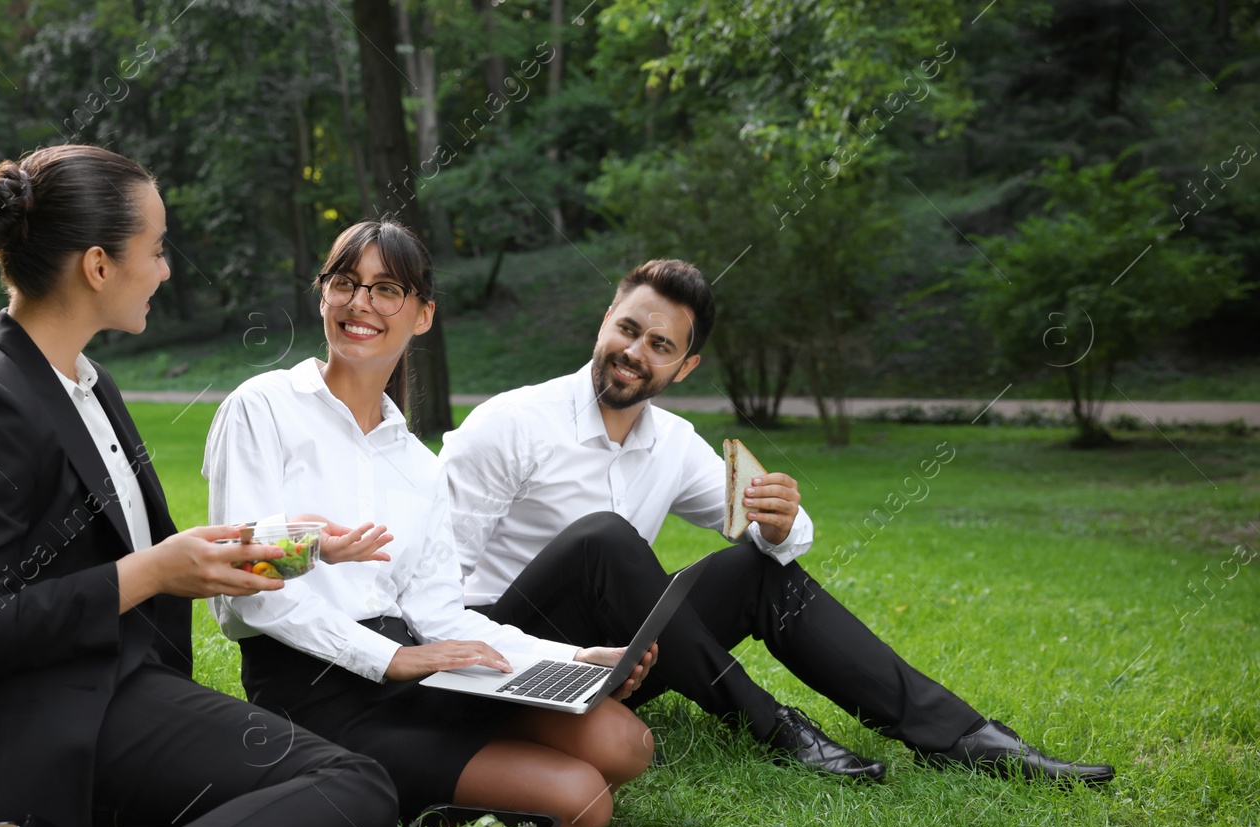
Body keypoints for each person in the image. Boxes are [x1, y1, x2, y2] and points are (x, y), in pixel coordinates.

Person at [0, 145, 399, 827]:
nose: (166, 270)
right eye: (157, 248)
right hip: (42, 720)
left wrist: (272, 545)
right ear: (98, 264)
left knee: (314, 789)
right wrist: (154, 575)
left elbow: (132, 543)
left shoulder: (82, 379)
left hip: (112, 687)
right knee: (355, 786)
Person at [438, 258, 1115, 785]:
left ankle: (964, 738)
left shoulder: (672, 442)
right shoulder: (511, 423)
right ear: (605, 319)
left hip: (620, 667)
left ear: (684, 365)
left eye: (661, 344)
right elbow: (432, 591)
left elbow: (772, 536)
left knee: (757, 565)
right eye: (627, 328)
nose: (636, 350)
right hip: (508, 667)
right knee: (605, 541)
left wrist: (782, 518)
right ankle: (775, 728)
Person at [203, 218, 659, 827]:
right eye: (345, 282)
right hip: (311, 691)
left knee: (625, 743)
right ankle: (384, 800)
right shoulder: (262, 407)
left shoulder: (418, 464)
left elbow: (441, 615)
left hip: (416, 667)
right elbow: (245, 593)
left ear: (422, 315)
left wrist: (574, 658)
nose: (361, 303)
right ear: (323, 295)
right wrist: (390, 657)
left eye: (387, 289)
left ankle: (441, 765)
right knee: (583, 801)